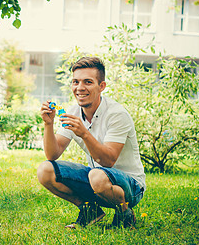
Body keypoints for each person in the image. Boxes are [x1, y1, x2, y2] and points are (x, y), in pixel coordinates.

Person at [37, 57, 146, 229]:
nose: (80, 88)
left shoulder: (117, 114)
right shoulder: (73, 112)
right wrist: (48, 124)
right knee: (45, 170)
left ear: (101, 86)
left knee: (97, 175)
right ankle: (90, 211)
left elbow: (108, 161)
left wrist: (84, 133)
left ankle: (125, 213)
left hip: (131, 186)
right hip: (97, 179)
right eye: (75, 82)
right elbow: (52, 154)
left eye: (88, 82)